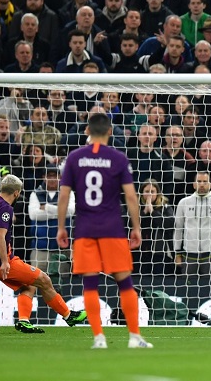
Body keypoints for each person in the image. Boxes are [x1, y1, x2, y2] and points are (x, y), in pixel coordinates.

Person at [55, 113, 153, 349]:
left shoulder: (75, 157)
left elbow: (64, 195)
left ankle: (99, 338)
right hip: (112, 229)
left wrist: (61, 227)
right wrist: (137, 227)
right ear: (110, 131)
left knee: (90, 284)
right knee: (125, 283)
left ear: (87, 130)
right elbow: (130, 196)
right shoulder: (117, 158)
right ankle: (134, 337)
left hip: (85, 230)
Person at [0, 174, 87, 334]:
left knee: (30, 286)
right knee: (44, 280)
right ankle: (69, 315)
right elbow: (0, 236)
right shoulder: (5, 208)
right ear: (17, 193)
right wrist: (5, 262)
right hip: (3, 262)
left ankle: (24, 321)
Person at [174, 171, 211, 276]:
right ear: (193, 184)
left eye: (205, 181)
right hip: (189, 255)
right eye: (199, 181)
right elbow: (178, 229)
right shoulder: (183, 203)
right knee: (187, 289)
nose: (201, 184)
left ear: (210, 184)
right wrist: (177, 254)